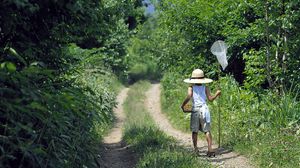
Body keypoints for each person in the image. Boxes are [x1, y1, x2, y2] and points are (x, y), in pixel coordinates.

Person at [181, 69, 221, 157]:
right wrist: (217, 94)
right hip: (204, 109)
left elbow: (189, 96)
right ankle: (210, 149)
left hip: (195, 109)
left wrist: (183, 105)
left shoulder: (191, 87)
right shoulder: (205, 87)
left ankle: (195, 149)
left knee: (195, 131)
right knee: (207, 130)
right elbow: (210, 99)